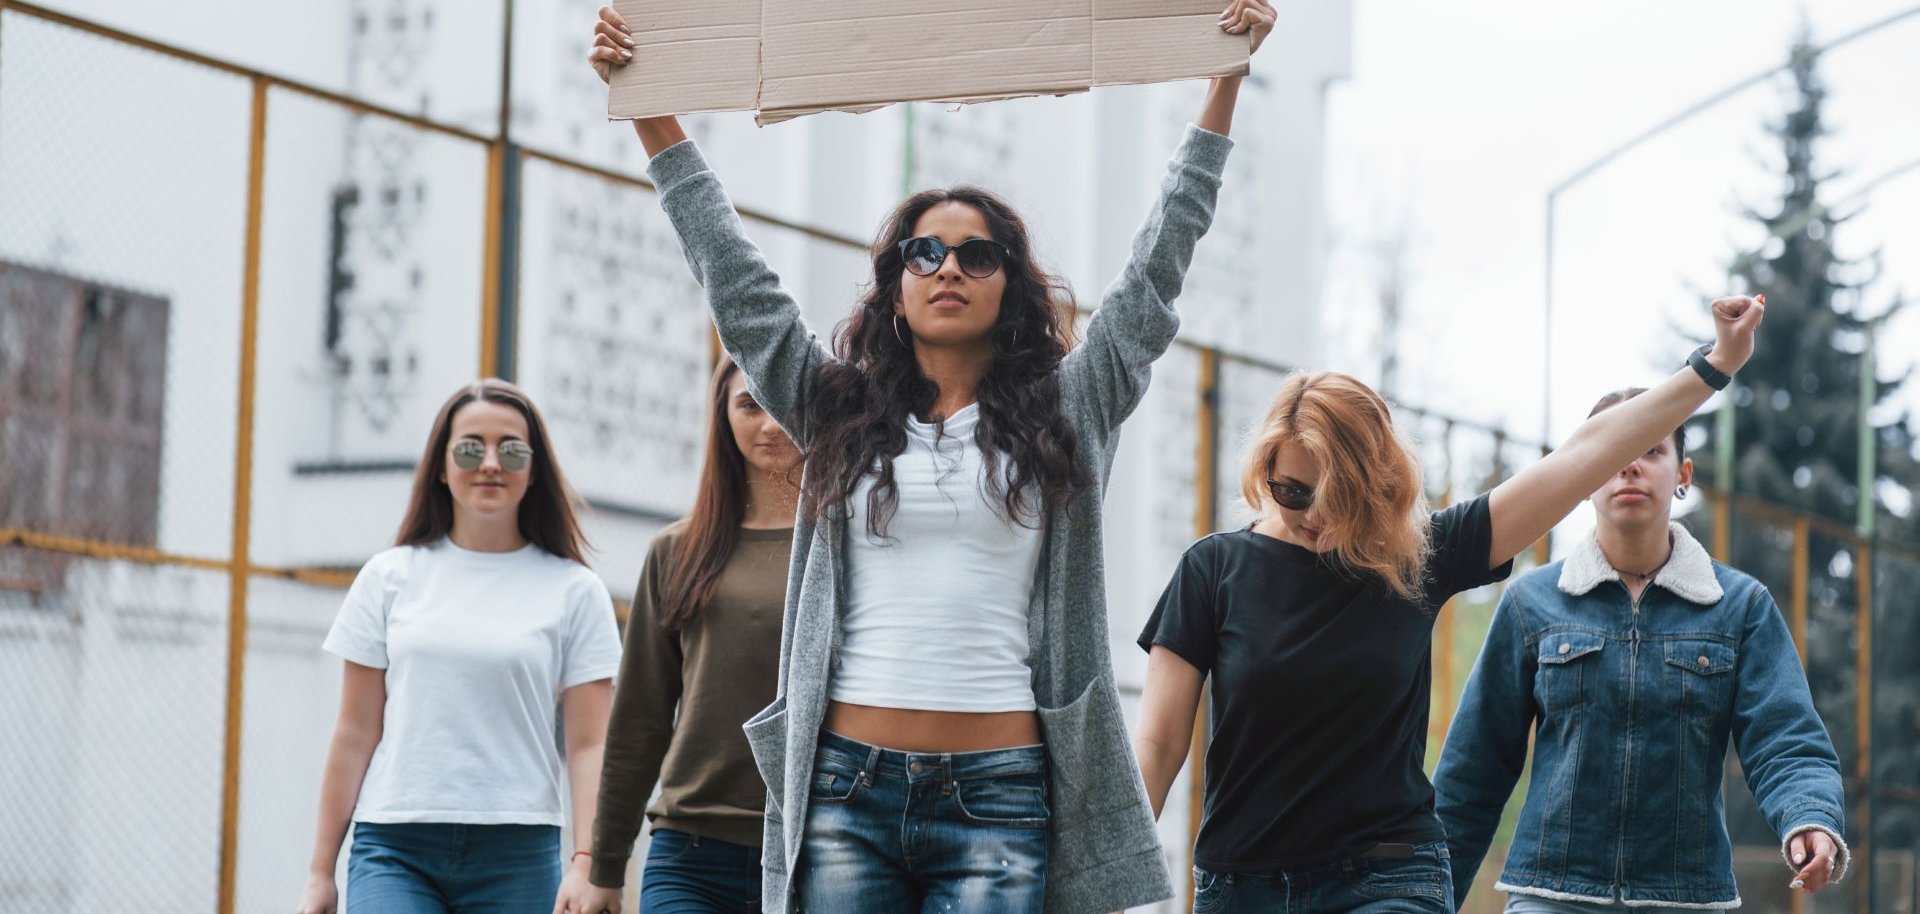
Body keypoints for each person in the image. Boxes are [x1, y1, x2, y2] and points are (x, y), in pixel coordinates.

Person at [586, 3, 1276, 910]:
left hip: (999, 790)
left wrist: (1224, 75)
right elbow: (731, 273)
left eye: (976, 254)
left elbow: (1157, 268)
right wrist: (652, 106)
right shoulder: (832, 408)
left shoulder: (1073, 408)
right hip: (845, 789)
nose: (949, 267)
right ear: (896, 285)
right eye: (926, 252)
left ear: (1011, 285)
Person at [1129, 297, 1768, 913]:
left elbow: (1579, 459)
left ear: (1377, 483)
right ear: (1265, 472)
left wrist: (1712, 366)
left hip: (1387, 879)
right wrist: (1112, 882)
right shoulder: (1213, 570)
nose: (1314, 514)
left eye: (1338, 494)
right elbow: (1157, 745)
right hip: (1245, 887)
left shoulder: (1420, 556)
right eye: (1291, 491)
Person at [1430, 385, 1846, 912]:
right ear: (1581, 477)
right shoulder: (1529, 604)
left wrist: (1809, 816)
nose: (1630, 467)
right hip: (1551, 895)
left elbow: (1786, 736)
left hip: (1686, 898)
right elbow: (1472, 771)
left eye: (1651, 449)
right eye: (1612, 453)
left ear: (1683, 476)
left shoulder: (1740, 607)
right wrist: (1428, 900)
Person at [296, 379, 622, 914]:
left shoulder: (576, 591)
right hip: (395, 846)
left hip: (519, 850)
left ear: (533, 470)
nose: (491, 462)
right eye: (470, 447)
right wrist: (319, 873)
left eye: (511, 449)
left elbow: (590, 745)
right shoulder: (387, 576)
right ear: (442, 467)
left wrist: (587, 862)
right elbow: (355, 732)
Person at [575, 358, 801, 914]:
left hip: (815, 850)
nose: (769, 424)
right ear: (723, 417)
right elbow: (640, 719)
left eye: (782, 403)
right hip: (691, 852)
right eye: (749, 405)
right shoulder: (678, 551)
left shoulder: (844, 550)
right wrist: (603, 868)